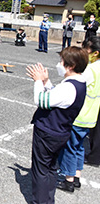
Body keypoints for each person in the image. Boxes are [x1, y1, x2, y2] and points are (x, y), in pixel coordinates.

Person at [26, 46, 88, 204]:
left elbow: (41, 100)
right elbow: (56, 96)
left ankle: (40, 201)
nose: (59, 64)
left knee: (40, 170)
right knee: (51, 168)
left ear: (71, 66)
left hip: (48, 132)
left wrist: (38, 81)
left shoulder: (69, 87)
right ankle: (48, 199)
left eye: (62, 61)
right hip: (61, 132)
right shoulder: (79, 83)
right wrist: (47, 82)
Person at [57, 36, 100, 193]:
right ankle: (76, 177)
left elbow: (76, 84)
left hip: (79, 115)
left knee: (69, 147)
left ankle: (68, 181)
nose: (83, 52)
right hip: (92, 115)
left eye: (85, 49)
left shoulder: (91, 69)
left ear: (94, 52)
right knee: (79, 147)